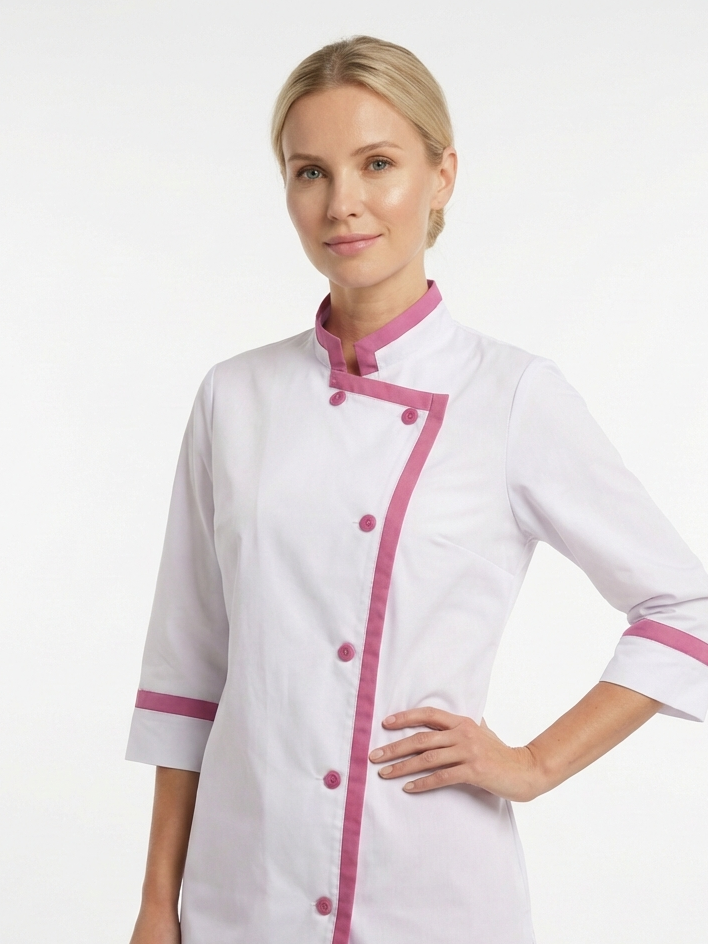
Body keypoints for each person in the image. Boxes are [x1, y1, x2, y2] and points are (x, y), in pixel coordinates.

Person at [125, 35, 708, 944]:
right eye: (310, 172)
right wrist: (157, 904)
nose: (342, 203)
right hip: (245, 890)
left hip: (429, 888)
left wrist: (534, 764)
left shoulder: (510, 395)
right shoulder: (233, 397)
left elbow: (685, 605)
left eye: (378, 163)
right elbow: (189, 672)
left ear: (442, 177)